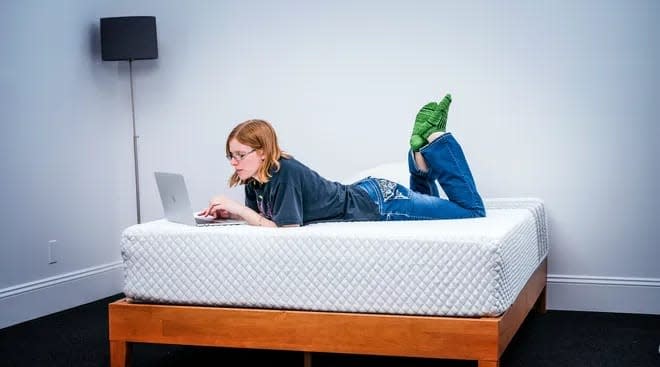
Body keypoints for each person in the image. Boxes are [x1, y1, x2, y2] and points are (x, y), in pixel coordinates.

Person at [200, 93, 485, 227]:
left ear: (263, 152)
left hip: (380, 203)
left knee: (471, 212)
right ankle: (420, 154)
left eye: (240, 155)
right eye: (231, 156)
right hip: (368, 191)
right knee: (431, 217)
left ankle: (439, 141)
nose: (234, 162)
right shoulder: (255, 179)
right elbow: (263, 219)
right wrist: (234, 213)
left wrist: (238, 209)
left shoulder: (283, 171)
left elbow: (284, 230)